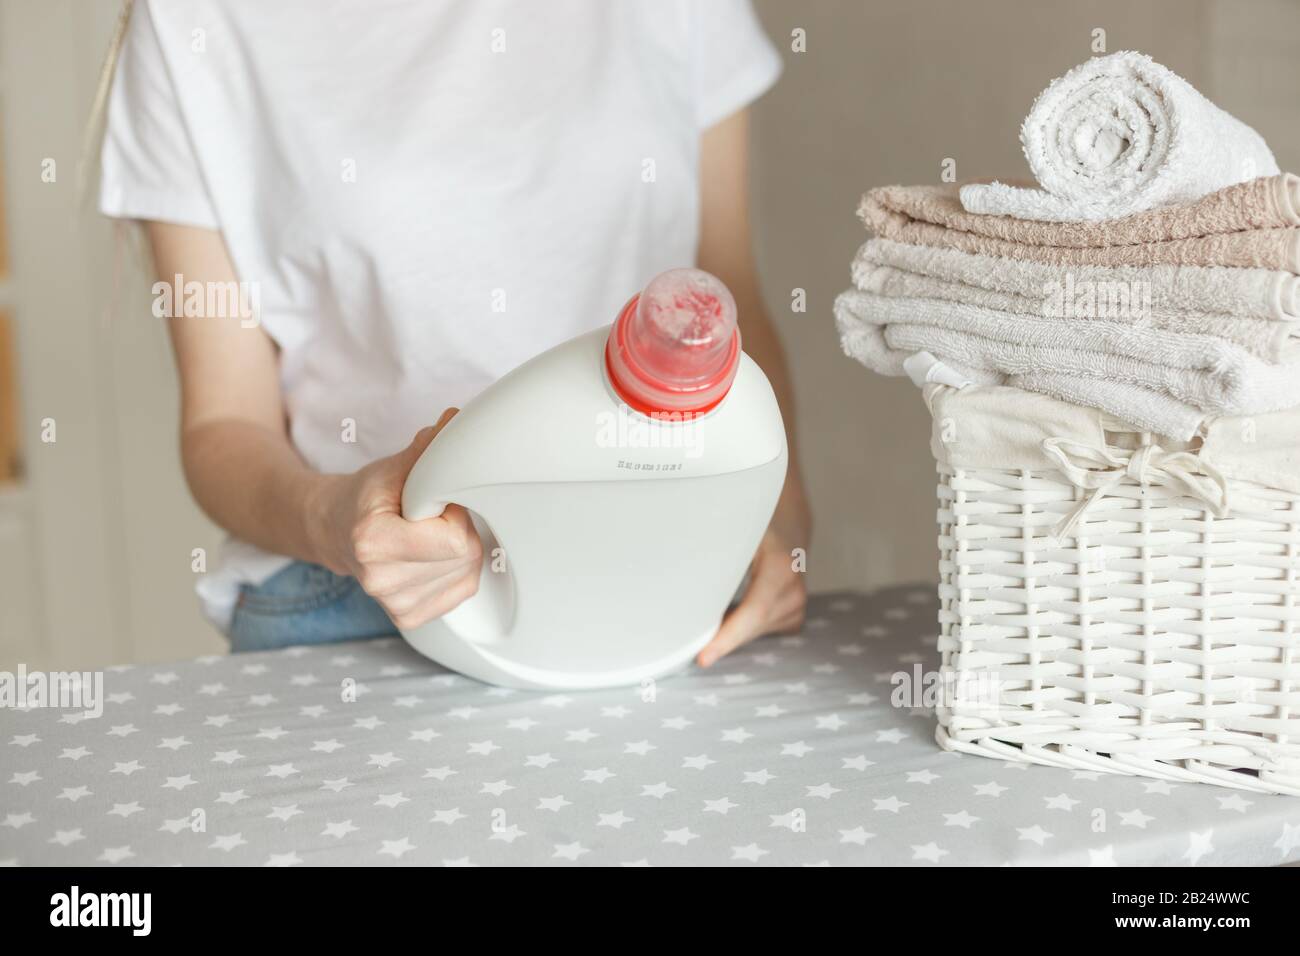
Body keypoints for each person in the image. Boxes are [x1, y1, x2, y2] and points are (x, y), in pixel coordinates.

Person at [99, 0, 810, 665]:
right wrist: (337, 521)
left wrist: (775, 533)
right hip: (365, 600)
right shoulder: (191, 20)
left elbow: (725, 300)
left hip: (659, 578)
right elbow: (225, 421)